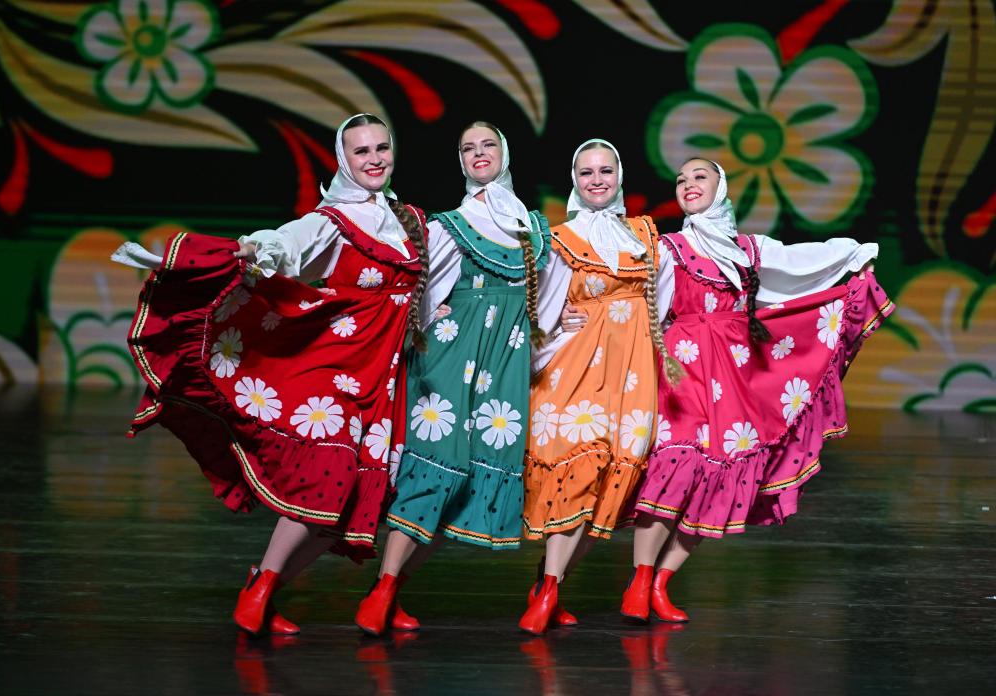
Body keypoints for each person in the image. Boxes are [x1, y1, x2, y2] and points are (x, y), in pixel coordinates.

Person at [114, 113, 429, 635]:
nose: (374, 159)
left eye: (381, 148)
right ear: (343, 160)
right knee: (325, 481)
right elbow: (285, 243)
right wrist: (246, 249)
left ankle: (262, 592)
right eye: (362, 151)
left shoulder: (410, 220)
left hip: (388, 375)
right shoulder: (330, 222)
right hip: (336, 368)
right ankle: (259, 588)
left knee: (352, 500)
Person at [620, 157, 893, 622]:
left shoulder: (747, 250)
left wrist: (853, 256)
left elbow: (803, 261)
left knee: (721, 475)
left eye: (700, 177)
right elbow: (640, 302)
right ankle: (640, 580)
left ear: (721, 187)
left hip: (734, 373)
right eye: (682, 179)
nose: (688, 184)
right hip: (683, 368)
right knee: (676, 464)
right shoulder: (668, 249)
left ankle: (663, 582)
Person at [353, 122, 552, 636]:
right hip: (452, 360)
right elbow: (421, 296)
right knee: (436, 468)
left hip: (504, 368)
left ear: (505, 153)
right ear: (460, 161)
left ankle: (389, 590)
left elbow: (545, 306)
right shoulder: (449, 226)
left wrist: (558, 329)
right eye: (468, 148)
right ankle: (382, 590)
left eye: (488, 145)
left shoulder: (534, 228)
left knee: (464, 486)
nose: (478, 153)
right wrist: (426, 332)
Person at [516, 139, 677, 635]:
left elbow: (663, 303)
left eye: (605, 170)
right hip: (577, 368)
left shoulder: (645, 236)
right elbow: (538, 308)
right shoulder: (560, 240)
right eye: (586, 172)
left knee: (610, 485)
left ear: (619, 175)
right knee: (577, 477)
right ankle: (547, 590)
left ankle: (549, 584)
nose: (597, 179)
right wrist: (552, 327)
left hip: (632, 374)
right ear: (575, 180)